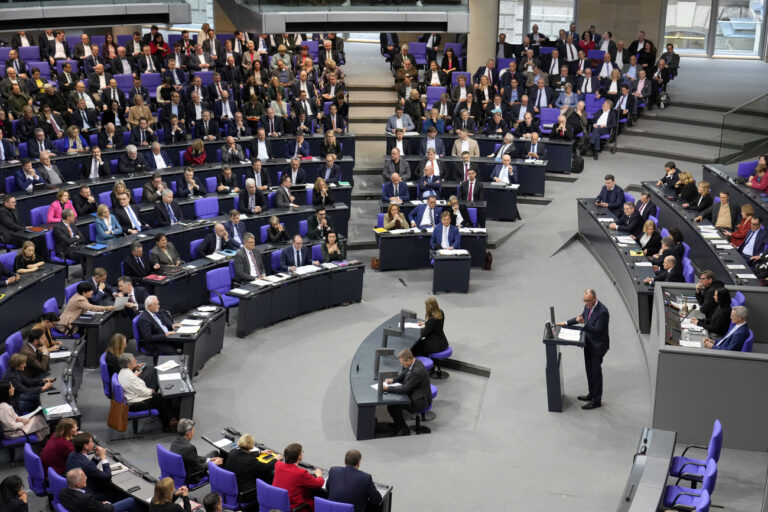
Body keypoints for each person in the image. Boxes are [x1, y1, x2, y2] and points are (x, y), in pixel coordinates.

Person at [556, 289, 609, 410]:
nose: (586, 303)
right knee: (589, 371)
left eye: (588, 301)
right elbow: (580, 317)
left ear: (594, 298)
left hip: (597, 346)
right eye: (584, 301)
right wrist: (565, 323)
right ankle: (591, 394)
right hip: (588, 343)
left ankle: (597, 400)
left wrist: (584, 323)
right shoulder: (588, 306)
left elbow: (597, 330)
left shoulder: (603, 312)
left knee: (596, 373)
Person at [117, 353, 177, 432]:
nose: (136, 360)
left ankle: (170, 419)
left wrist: (135, 368)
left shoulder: (123, 372)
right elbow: (142, 392)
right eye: (134, 360)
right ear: (128, 365)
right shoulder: (130, 377)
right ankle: (169, 423)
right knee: (160, 398)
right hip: (135, 405)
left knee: (158, 397)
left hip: (133, 399)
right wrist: (151, 391)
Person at [383, 349, 432, 436]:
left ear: (409, 360)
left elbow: (405, 389)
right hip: (416, 393)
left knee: (393, 407)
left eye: (402, 363)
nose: (402, 365)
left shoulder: (417, 371)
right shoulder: (414, 363)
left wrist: (387, 388)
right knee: (393, 404)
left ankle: (403, 429)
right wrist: (393, 380)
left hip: (419, 400)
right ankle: (398, 424)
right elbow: (404, 374)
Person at [224, 434, 281, 501]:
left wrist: (259, 452)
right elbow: (266, 467)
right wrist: (276, 459)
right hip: (246, 493)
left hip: (232, 487)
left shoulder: (232, 452)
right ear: (251, 446)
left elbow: (244, 454)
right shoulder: (250, 461)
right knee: (267, 479)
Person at [272, 443, 325, 511]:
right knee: (319, 504)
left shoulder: (278, 465)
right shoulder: (301, 473)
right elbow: (318, 484)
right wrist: (319, 475)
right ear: (299, 456)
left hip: (277, 504)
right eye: (301, 452)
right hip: (294, 508)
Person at [170, 418, 223, 485]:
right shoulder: (190, 448)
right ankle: (220, 484)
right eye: (193, 431)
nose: (193, 433)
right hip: (191, 476)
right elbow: (198, 468)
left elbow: (192, 458)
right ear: (188, 433)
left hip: (180, 471)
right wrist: (213, 463)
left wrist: (209, 459)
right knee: (216, 456)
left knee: (214, 453)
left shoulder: (174, 441)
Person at [60, 467, 136, 512]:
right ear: (78, 484)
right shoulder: (87, 498)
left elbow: (94, 506)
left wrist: (99, 504)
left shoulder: (62, 492)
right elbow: (106, 509)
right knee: (131, 500)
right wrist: (107, 503)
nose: (86, 478)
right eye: (83, 478)